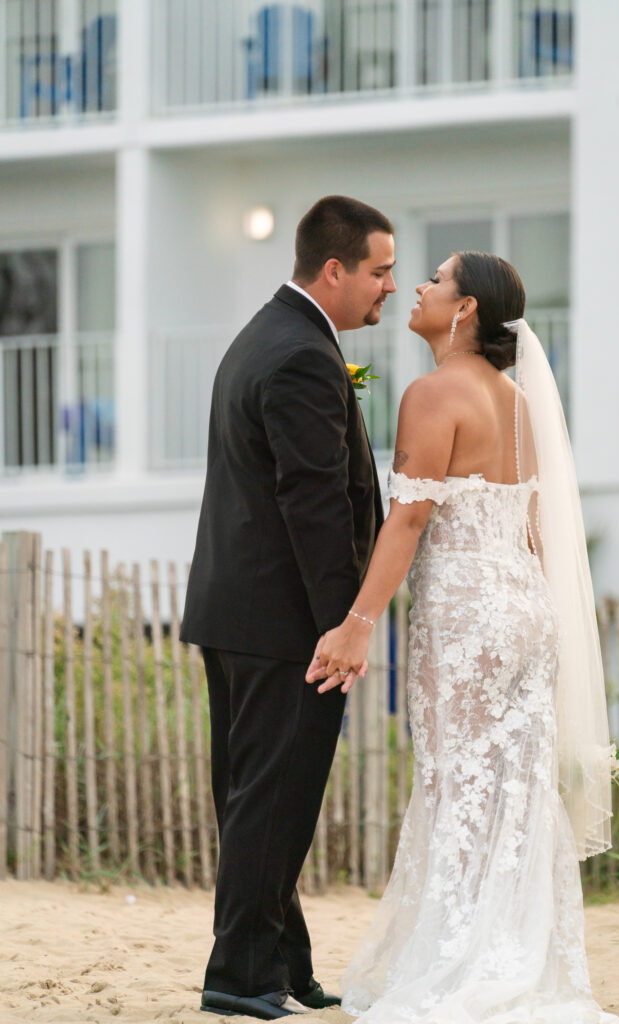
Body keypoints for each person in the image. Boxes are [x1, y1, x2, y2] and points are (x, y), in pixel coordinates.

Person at [306, 251, 619, 1023]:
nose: (419, 289)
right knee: (512, 791)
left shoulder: (433, 393)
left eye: (435, 280)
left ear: (464, 310)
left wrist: (356, 623)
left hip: (467, 613)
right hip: (526, 610)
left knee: (456, 786)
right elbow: (533, 525)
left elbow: (408, 518)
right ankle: (520, 956)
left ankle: (464, 960)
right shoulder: (517, 401)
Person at [181, 195, 396, 1020]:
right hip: (286, 625)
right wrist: (344, 626)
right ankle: (238, 976)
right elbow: (314, 504)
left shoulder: (266, 335)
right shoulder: (302, 354)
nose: (387, 287)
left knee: (254, 797)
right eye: (378, 272)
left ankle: (281, 962)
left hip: (235, 612)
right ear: (334, 270)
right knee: (272, 800)